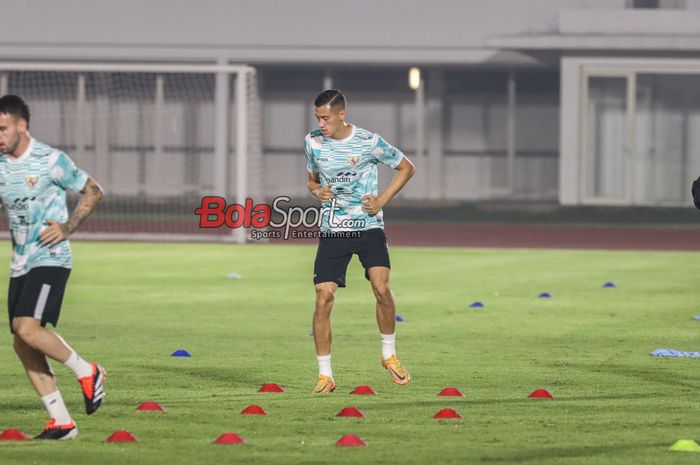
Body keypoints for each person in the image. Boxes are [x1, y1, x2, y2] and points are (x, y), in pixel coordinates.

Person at [0, 95, 105, 439]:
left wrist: (68, 227)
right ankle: (63, 422)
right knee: (22, 342)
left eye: (2, 129)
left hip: (51, 259)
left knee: (27, 329)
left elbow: (93, 190)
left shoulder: (50, 160)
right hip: (20, 264)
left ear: (21, 125)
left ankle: (88, 371)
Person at [304, 89, 416, 393]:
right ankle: (325, 375)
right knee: (323, 298)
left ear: (342, 114)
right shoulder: (313, 142)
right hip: (333, 230)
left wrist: (381, 200)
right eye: (318, 118)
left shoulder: (369, 142)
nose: (321, 124)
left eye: (326, 118)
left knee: (381, 288)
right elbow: (312, 179)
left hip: (368, 228)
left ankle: (388, 354)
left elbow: (407, 167)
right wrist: (317, 191)